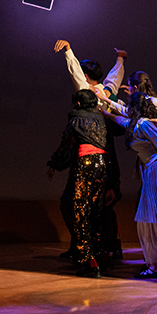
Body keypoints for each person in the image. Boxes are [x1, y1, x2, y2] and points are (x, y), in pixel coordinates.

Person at [53, 40, 126, 261]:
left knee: (79, 204)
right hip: (106, 153)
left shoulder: (87, 93)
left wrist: (68, 51)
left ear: (86, 77)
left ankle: (89, 249)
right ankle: (106, 247)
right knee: (99, 203)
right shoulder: (107, 91)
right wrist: (120, 59)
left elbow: (75, 73)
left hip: (90, 154)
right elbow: (114, 79)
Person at [103, 92, 157, 277]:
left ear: (134, 108)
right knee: (152, 217)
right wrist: (107, 113)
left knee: (153, 216)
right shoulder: (136, 123)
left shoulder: (144, 123)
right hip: (151, 170)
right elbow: (121, 120)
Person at [47, 89, 110, 278]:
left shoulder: (76, 119)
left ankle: (89, 261)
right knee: (96, 211)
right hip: (103, 164)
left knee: (80, 211)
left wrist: (54, 164)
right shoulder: (101, 119)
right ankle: (101, 257)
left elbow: (65, 145)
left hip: (86, 164)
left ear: (79, 104)